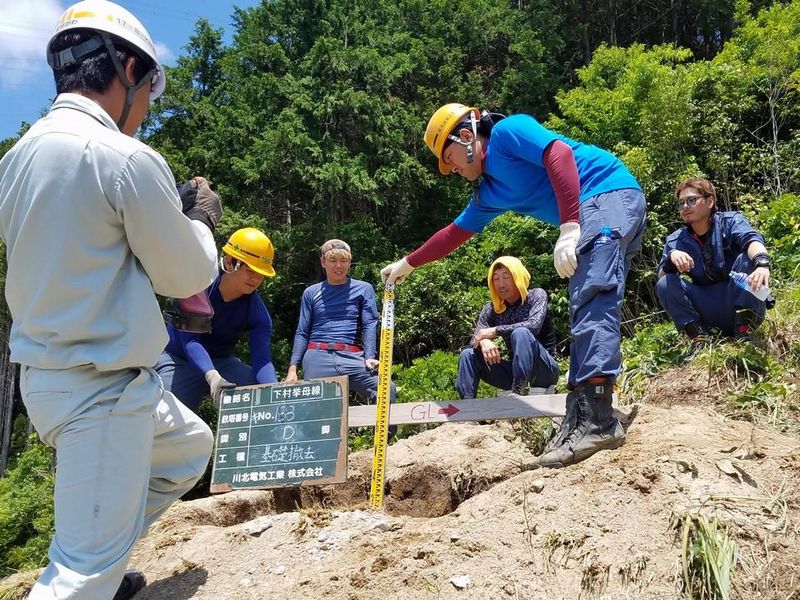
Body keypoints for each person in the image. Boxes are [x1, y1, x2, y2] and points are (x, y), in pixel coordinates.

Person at [0, 2, 221, 598]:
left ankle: (100, 552)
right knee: (77, 576)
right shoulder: (123, 158)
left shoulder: (16, 160)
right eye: (149, 92)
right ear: (128, 69)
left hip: (52, 378)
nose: (145, 111)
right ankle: (92, 570)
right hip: (101, 388)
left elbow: (84, 245)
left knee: (187, 447)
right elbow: (185, 273)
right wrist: (199, 221)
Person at [381, 103, 646, 468]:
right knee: (586, 299)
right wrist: (409, 263)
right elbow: (453, 233)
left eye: (449, 159)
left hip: (605, 193)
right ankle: (582, 412)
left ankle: (598, 418)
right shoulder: (489, 192)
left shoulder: (508, 133)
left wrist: (570, 226)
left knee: (591, 294)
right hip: (599, 207)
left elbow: (558, 153)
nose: (452, 170)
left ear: (466, 136)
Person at [156, 227, 279, 413]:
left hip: (222, 363)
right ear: (229, 262)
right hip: (178, 360)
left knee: (258, 392)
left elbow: (262, 361)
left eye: (261, 273)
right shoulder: (197, 287)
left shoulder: (257, 312)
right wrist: (213, 377)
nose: (256, 279)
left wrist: (275, 392)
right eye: (250, 270)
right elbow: (190, 342)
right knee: (164, 413)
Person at [286, 240, 396, 433]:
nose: (339, 266)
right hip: (317, 355)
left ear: (350, 262)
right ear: (323, 262)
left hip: (352, 356)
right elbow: (302, 331)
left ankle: (385, 443)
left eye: (343, 261)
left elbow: (370, 323)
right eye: (333, 260)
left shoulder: (363, 288)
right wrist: (293, 368)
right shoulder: (311, 293)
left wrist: (370, 356)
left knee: (386, 387)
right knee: (314, 409)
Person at [656, 177, 771, 357]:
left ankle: (743, 331)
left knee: (746, 258)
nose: (685, 206)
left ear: (710, 201)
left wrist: (762, 265)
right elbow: (662, 280)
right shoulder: (676, 241)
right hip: (708, 307)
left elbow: (752, 240)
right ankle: (699, 338)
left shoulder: (731, 221)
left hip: (742, 299)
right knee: (665, 283)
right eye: (681, 203)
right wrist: (671, 260)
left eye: (691, 200)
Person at [457, 257, 559, 399]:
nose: (501, 284)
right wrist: (483, 341)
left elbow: (534, 325)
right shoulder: (491, 309)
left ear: (518, 277)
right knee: (468, 355)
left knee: (521, 332)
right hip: (513, 371)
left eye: (506, 277)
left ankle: (518, 391)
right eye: (496, 279)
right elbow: (475, 339)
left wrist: (495, 330)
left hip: (544, 369)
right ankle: (466, 407)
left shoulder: (536, 295)